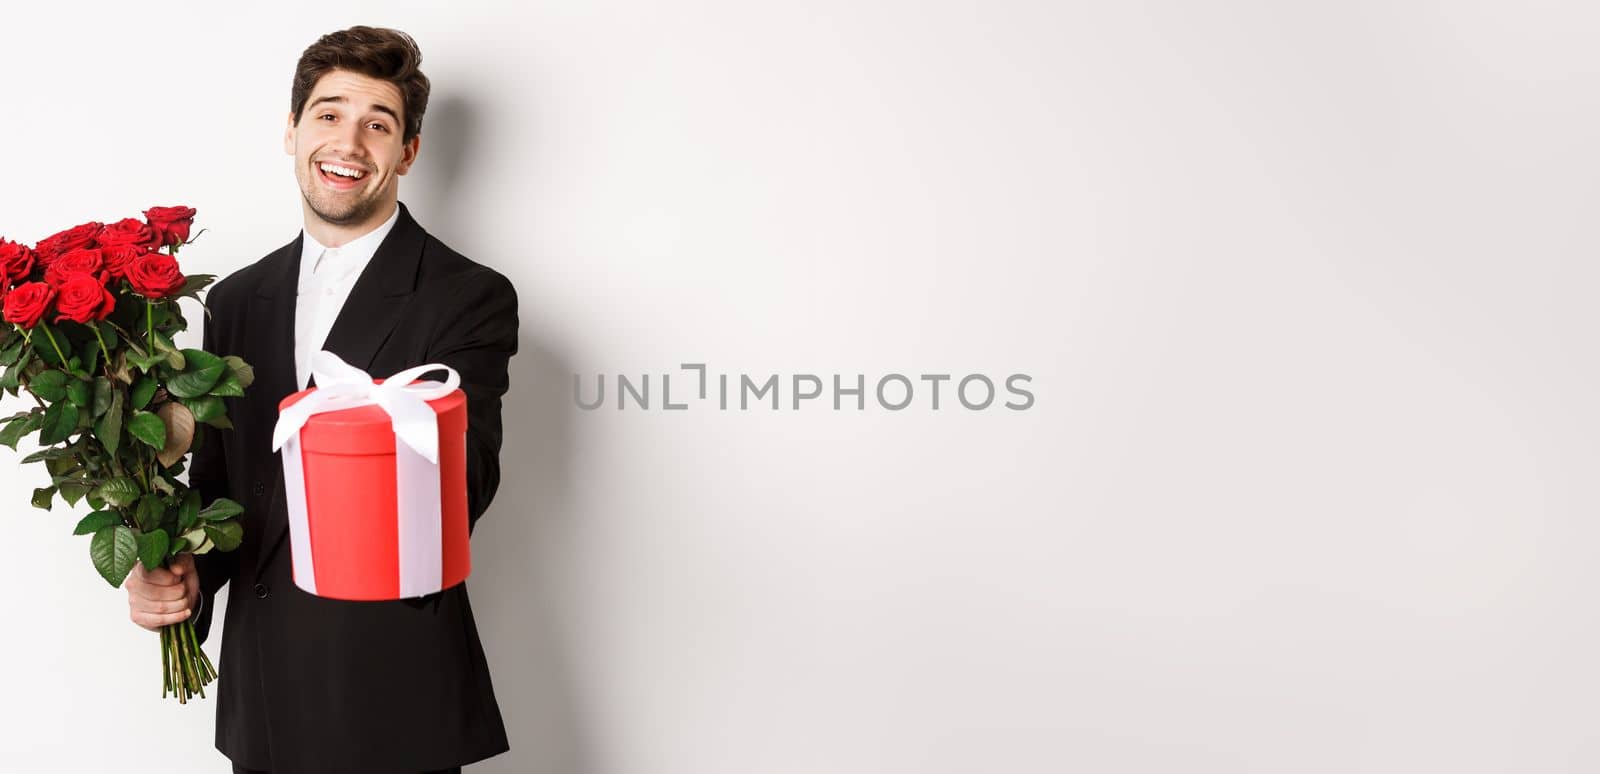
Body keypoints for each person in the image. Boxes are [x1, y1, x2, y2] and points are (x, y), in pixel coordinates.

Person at [122, 25, 516, 773]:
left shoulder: (467, 297)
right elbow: (224, 495)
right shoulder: (235, 298)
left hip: (393, 691)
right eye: (329, 114)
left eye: (379, 124)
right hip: (264, 701)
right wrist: (178, 577)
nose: (350, 143)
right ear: (292, 131)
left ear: (407, 153)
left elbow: (466, 487)